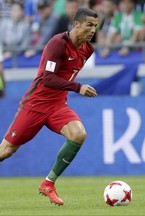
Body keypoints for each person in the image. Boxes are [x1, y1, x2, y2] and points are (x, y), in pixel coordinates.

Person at [0, 7, 98, 205]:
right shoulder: (57, 44)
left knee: (78, 134)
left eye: (96, 26)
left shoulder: (88, 50)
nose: (93, 29)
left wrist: (71, 89)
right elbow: (48, 78)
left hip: (58, 105)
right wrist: (77, 87)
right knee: (6, 151)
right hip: (36, 104)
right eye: (89, 25)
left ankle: (48, 183)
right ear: (76, 24)